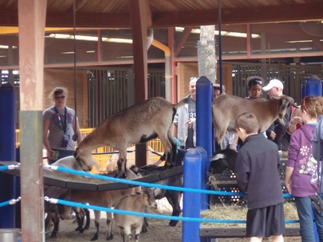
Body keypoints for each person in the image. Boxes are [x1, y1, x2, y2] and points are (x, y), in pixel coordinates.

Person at [234, 112, 285, 242]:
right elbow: (277, 166)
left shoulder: (244, 151)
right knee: (277, 234)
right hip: (275, 195)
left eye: (237, 132)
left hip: (257, 198)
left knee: (256, 235)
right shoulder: (273, 146)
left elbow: (242, 179)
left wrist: (248, 189)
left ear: (241, 130)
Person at [285, 96, 323, 242]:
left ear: (305, 110)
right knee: (321, 221)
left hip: (302, 182)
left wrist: (287, 180)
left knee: (306, 221)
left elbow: (291, 161)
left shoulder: (297, 134)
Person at [43, 87, 82, 164]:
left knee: (69, 174)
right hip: (55, 150)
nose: (60, 99)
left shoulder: (72, 112)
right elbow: (43, 135)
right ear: (53, 99)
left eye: (62, 97)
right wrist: (49, 150)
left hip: (70, 149)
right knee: (54, 173)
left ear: (66, 98)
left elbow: (78, 132)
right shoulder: (48, 113)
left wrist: (80, 148)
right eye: (57, 97)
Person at [262, 78, 292, 151]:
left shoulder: (284, 103)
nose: (268, 93)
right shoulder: (276, 103)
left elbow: (283, 125)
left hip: (280, 145)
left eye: (270, 90)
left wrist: (274, 139)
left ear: (278, 89)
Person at [173, 77, 197, 149]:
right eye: (192, 86)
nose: (194, 88)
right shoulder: (182, 103)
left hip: (199, 142)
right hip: (184, 141)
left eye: (196, 86)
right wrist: (174, 139)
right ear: (189, 88)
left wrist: (195, 120)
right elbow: (175, 123)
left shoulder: (205, 103)